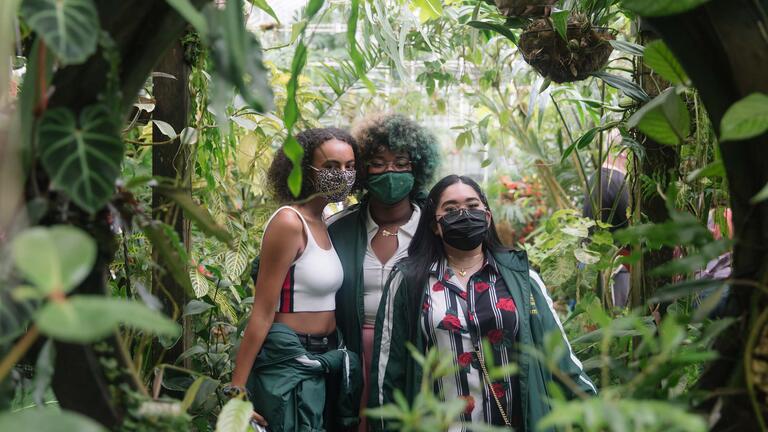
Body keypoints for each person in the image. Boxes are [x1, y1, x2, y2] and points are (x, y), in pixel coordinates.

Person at [369, 175, 596, 431]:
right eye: (451, 209)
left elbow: (560, 355)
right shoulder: (408, 281)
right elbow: (388, 370)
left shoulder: (521, 278)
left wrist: (600, 415)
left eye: (473, 206)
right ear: (435, 224)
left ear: (487, 217)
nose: (464, 214)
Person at [226, 128, 362, 431]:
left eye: (349, 167)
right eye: (330, 167)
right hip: (288, 361)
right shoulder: (290, 222)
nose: (342, 175)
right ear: (304, 170)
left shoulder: (324, 222)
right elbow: (262, 312)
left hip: (324, 357)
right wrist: (237, 391)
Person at [326, 113, 440, 431]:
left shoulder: (434, 228)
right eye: (378, 162)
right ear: (363, 170)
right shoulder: (340, 229)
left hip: (416, 350)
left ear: (416, 167)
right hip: (353, 350)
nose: (390, 171)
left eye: (401, 162)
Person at [583, 130, 631, 307]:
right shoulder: (617, 181)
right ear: (624, 153)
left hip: (595, 265)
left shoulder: (594, 178)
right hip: (617, 268)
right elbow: (633, 227)